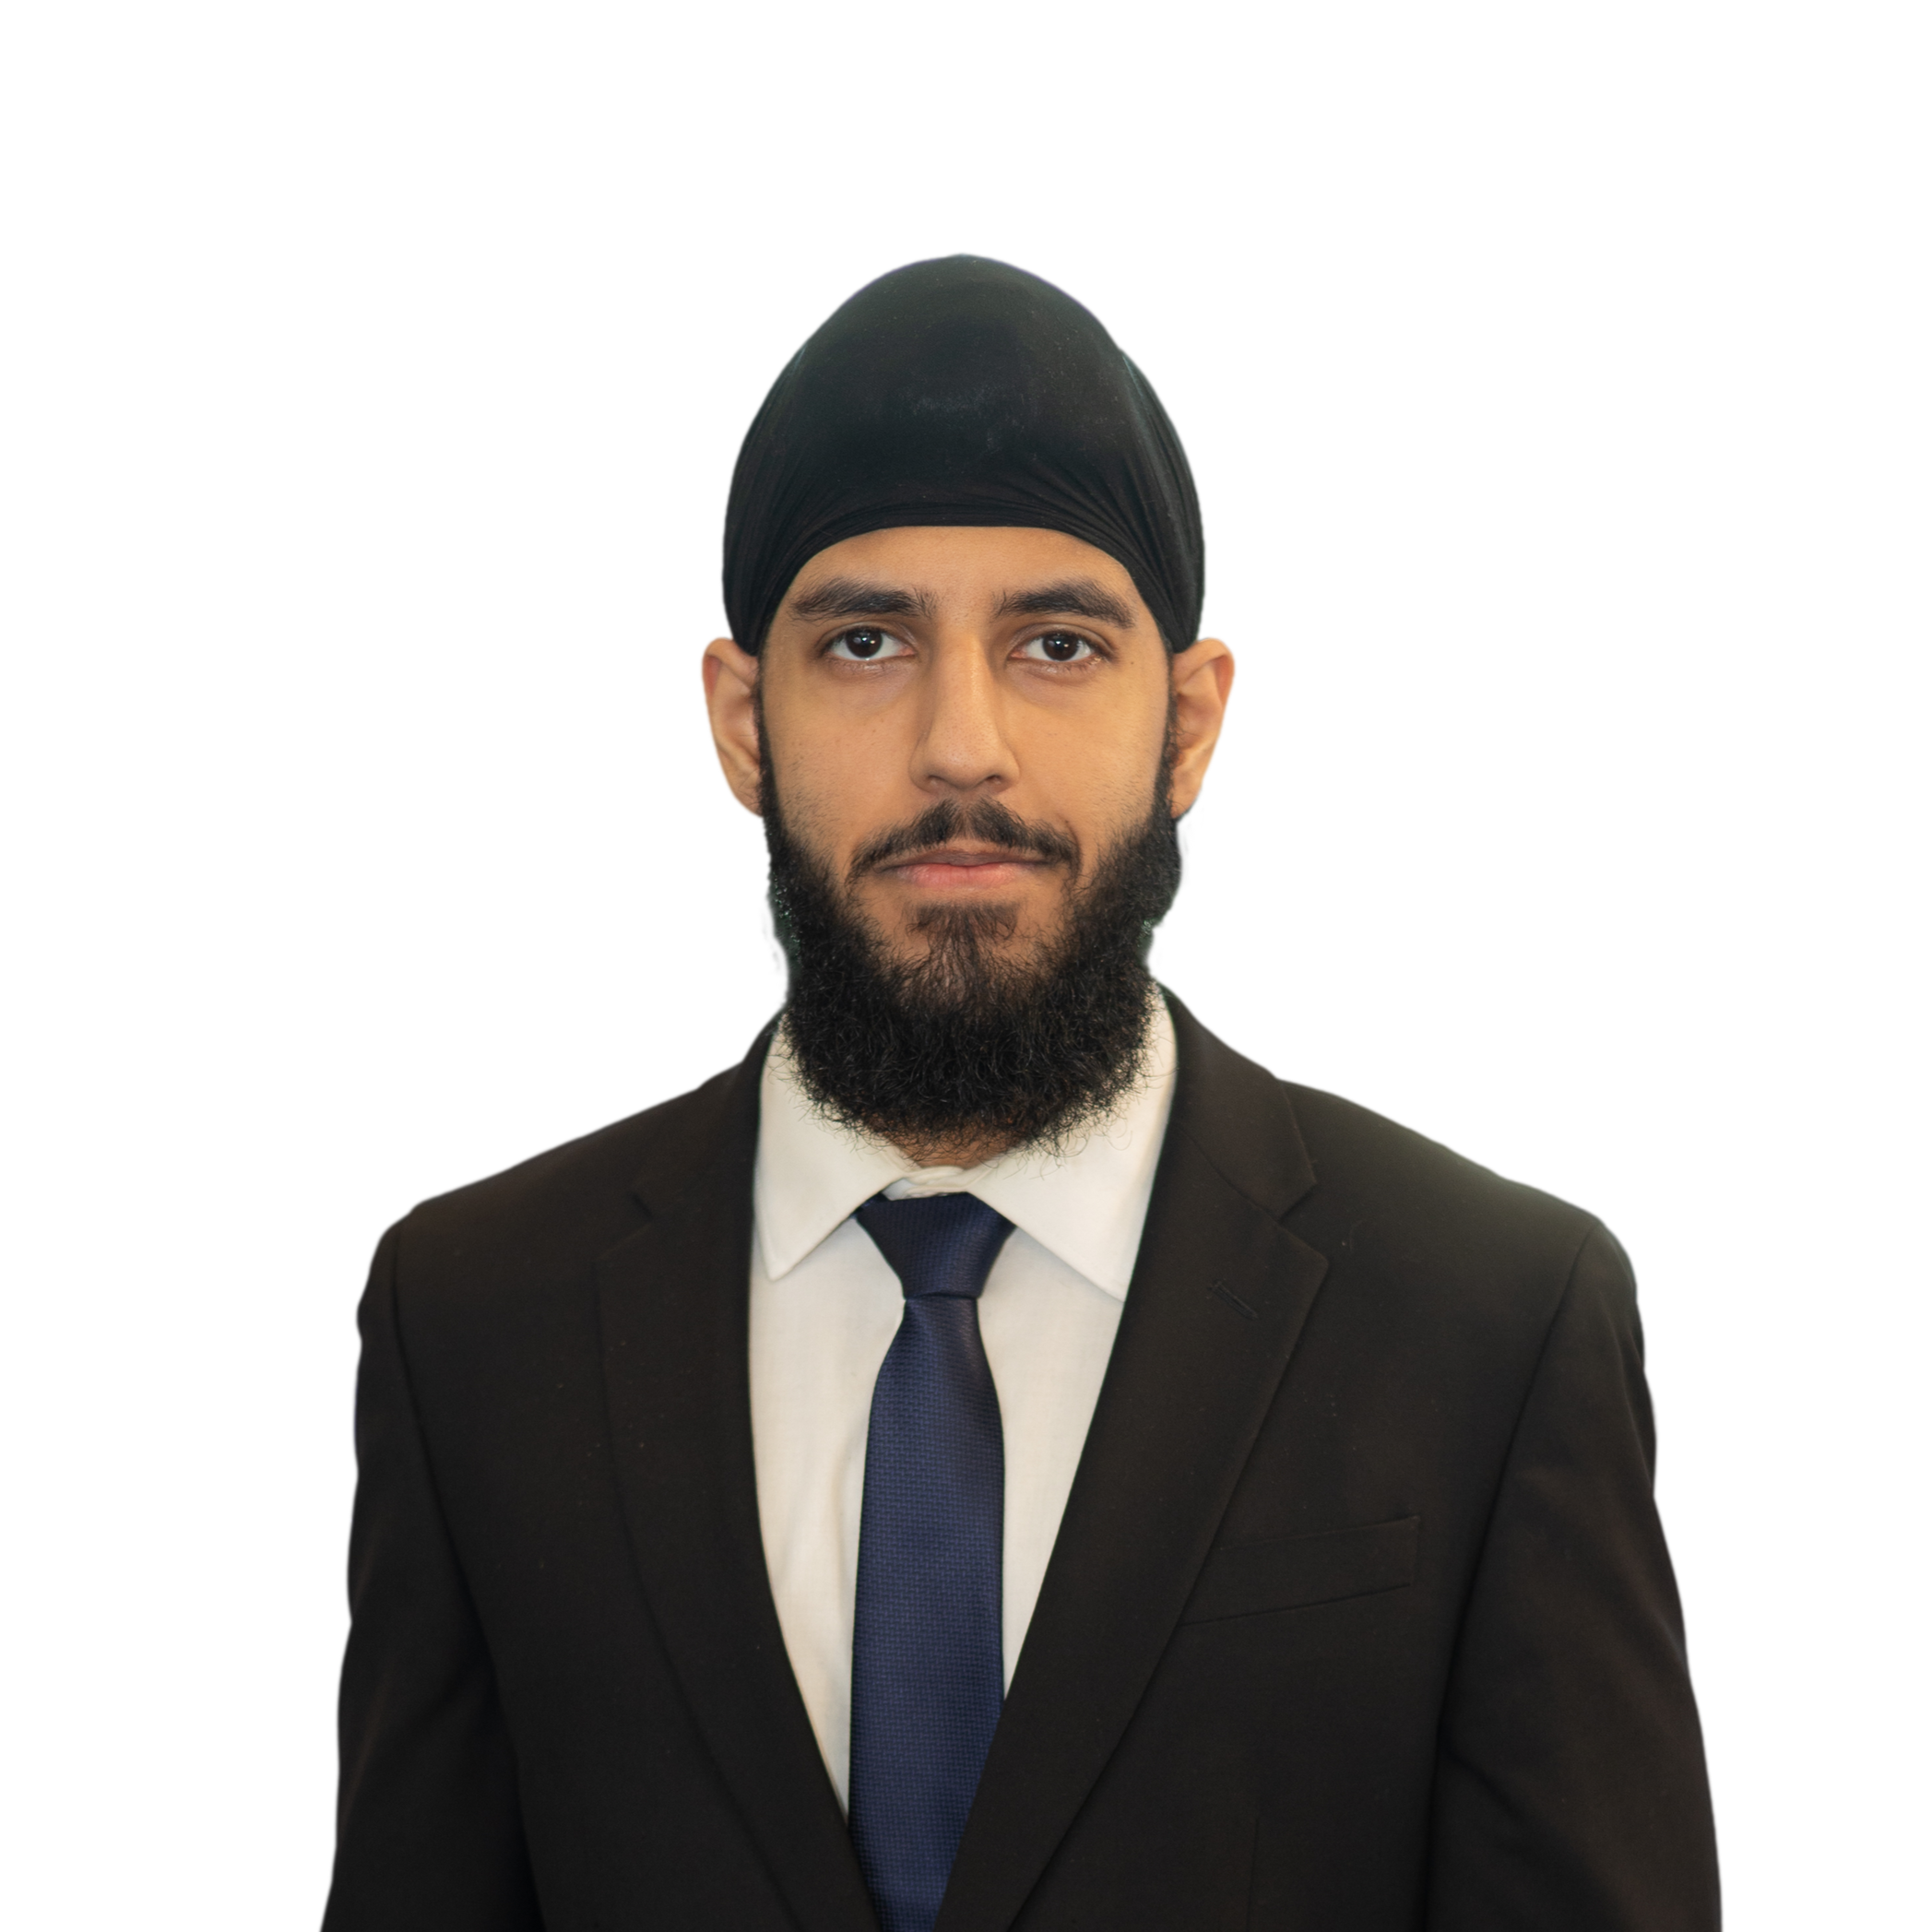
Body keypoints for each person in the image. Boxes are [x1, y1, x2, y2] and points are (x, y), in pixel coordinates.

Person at [323, 253, 1723, 1931]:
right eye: (864, 641)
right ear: (740, 721)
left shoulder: (1497, 1318)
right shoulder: (474, 1316)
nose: (961, 744)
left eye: (1056, 642)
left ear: (1189, 723)